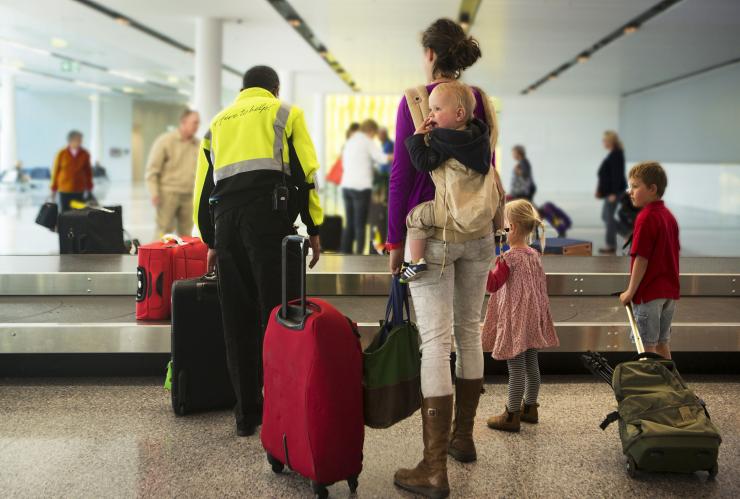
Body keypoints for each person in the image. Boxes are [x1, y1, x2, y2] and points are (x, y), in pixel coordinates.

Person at [388, 18, 505, 499]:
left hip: (428, 238)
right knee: (469, 332)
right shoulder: (479, 101)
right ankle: (463, 439)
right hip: (478, 234)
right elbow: (492, 170)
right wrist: (499, 230)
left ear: (431, 54)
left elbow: (400, 173)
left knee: (435, 341)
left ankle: (434, 468)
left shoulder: (417, 99)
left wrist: (394, 244)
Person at [192, 65, 323, 437]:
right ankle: (285, 410)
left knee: (236, 319)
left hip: (228, 225)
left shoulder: (217, 123)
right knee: (282, 316)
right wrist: (314, 228)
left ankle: (246, 415)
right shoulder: (285, 113)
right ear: (274, 89)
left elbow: (203, 187)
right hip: (270, 222)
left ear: (243, 89)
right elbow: (306, 174)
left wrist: (211, 239)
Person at [400, 81, 492, 283]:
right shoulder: (480, 136)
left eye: (437, 109)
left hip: (451, 213)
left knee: (415, 218)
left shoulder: (444, 140)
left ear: (459, 114)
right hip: (481, 216)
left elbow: (423, 163)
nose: (430, 115)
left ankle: (416, 262)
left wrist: (416, 138)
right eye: (430, 108)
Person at [481, 199, 560, 432]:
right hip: (533, 318)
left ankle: (511, 414)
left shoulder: (509, 258)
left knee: (515, 367)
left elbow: (493, 285)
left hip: (516, 320)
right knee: (531, 364)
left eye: (504, 227)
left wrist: (482, 268)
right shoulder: (534, 254)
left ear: (512, 228)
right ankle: (531, 407)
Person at [619, 162, 679, 360]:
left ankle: (652, 388)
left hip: (649, 294)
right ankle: (672, 385)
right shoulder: (668, 216)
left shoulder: (646, 218)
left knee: (647, 349)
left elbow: (641, 259)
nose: (631, 191)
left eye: (635, 186)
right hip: (668, 293)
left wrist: (630, 291)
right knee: (662, 343)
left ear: (652, 189)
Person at [146, 110, 200, 237]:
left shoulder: (198, 144)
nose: (197, 126)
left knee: (187, 234)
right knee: (163, 231)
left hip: (189, 195)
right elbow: (152, 171)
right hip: (168, 195)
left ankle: (182, 257)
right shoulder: (165, 141)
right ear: (183, 122)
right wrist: (154, 192)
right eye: (194, 122)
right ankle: (158, 257)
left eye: (198, 123)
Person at [340, 119, 390, 254]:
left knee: (349, 224)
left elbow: (344, 164)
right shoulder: (367, 142)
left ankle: (344, 254)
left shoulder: (350, 141)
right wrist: (397, 155)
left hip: (346, 186)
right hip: (361, 188)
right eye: (374, 134)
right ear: (371, 131)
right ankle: (358, 257)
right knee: (360, 225)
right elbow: (382, 158)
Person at [596, 130, 627, 254]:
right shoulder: (613, 154)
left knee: (608, 218)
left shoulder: (616, 154)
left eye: (604, 140)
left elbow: (616, 175)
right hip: (609, 192)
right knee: (606, 217)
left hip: (614, 192)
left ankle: (611, 245)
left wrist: (613, 193)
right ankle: (628, 233)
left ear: (610, 141)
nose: (603, 143)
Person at [51, 130, 93, 212]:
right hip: (64, 189)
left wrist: (89, 187)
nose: (81, 142)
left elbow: (88, 172)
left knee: (79, 212)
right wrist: (53, 188)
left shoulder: (85, 154)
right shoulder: (61, 153)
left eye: (81, 140)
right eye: (78, 139)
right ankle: (65, 225)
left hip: (79, 189)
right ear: (71, 140)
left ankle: (77, 225)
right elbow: (56, 171)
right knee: (65, 213)